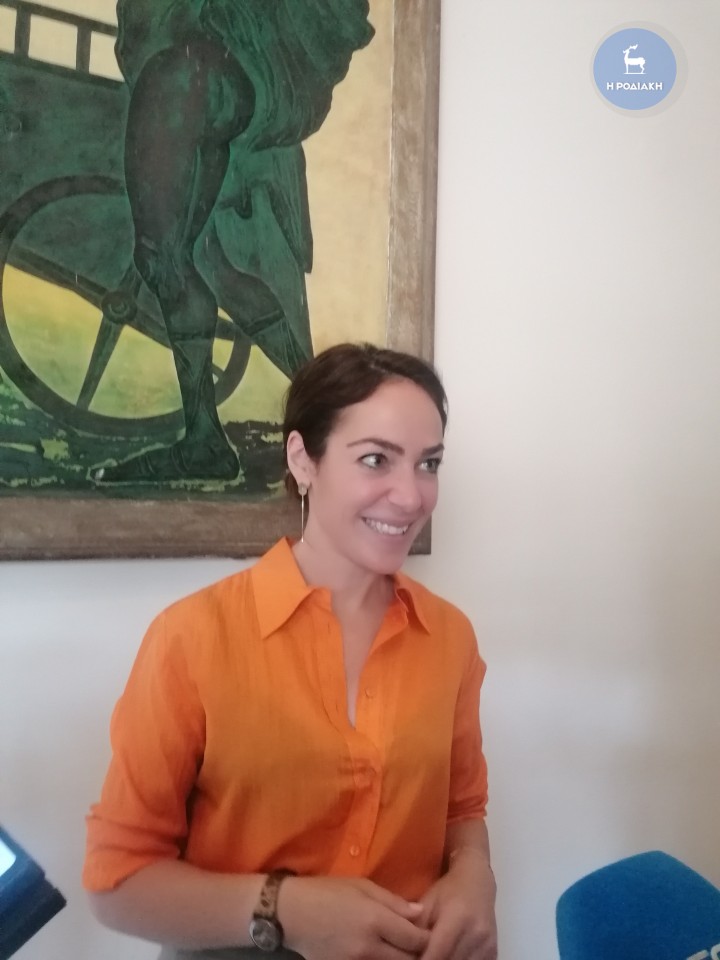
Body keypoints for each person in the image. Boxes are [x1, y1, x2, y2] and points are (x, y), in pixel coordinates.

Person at [83, 342, 498, 960]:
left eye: (428, 464)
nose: (412, 497)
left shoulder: (450, 637)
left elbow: (461, 809)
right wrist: (288, 910)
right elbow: (117, 880)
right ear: (303, 459)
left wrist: (474, 876)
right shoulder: (192, 637)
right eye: (376, 459)